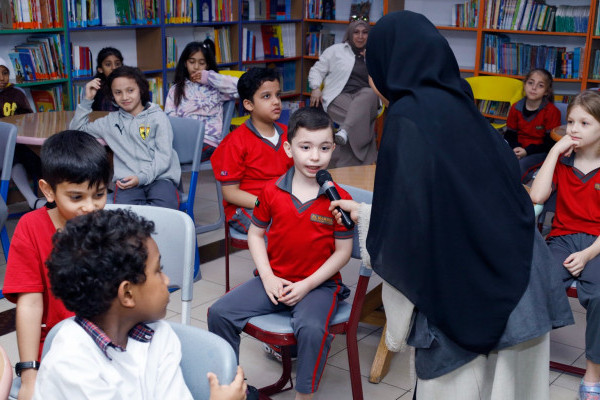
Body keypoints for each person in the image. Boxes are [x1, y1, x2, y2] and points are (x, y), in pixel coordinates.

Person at [326, 11, 572, 399]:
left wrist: (369, 221)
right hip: (523, 277)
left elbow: (410, 226)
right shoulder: (461, 103)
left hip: (471, 296)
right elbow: (463, 203)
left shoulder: (406, 118)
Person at [208, 107, 353, 400]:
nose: (315, 157)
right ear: (288, 148)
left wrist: (306, 285)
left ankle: (304, 396)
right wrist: (269, 277)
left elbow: (344, 252)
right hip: (274, 279)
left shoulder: (339, 199)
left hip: (318, 286)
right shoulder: (271, 191)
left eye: (324, 148)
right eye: (305, 147)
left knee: (312, 330)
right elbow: (255, 234)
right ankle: (233, 388)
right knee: (219, 313)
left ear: (333, 148)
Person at [34, 209, 248, 400]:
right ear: (127, 293)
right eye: (157, 270)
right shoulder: (71, 367)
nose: (166, 280)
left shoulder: (158, 334)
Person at [2, 130, 111, 400]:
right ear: (48, 190)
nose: (90, 207)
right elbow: (29, 304)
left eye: (99, 194)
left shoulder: (112, 228)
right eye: (76, 197)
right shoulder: (31, 228)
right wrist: (29, 375)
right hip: (55, 349)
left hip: (108, 346)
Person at [529, 90, 600, 400]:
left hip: (597, 245)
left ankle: (593, 373)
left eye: (584, 122)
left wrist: (586, 255)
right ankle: (524, 357)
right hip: (561, 238)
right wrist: (554, 153)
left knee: (599, 295)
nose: (573, 128)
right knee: (535, 281)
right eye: (571, 121)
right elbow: (537, 197)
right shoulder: (562, 161)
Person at [70, 65, 181, 209]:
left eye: (130, 90)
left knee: (165, 210)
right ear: (112, 95)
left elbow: (164, 157)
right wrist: (87, 99)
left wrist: (141, 178)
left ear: (141, 89)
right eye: (118, 92)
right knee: (126, 216)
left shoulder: (158, 117)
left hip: (160, 177)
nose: (124, 97)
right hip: (127, 181)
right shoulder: (109, 121)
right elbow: (76, 131)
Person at [210, 67, 293, 234]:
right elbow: (230, 193)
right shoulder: (235, 142)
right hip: (248, 207)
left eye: (278, 95)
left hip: (282, 204)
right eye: (266, 96)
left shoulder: (290, 135)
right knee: (282, 231)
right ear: (248, 104)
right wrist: (264, 204)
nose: (276, 101)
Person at [308, 18, 379, 168]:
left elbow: (382, 79)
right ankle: (366, 162)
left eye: (365, 32)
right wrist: (315, 87)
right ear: (350, 34)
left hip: (367, 100)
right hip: (339, 97)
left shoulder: (376, 54)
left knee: (367, 93)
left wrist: (370, 59)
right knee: (361, 120)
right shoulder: (336, 50)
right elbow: (317, 70)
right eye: (356, 32)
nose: (360, 36)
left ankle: (343, 137)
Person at [165, 40, 239, 162]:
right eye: (191, 62)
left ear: (208, 65)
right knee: (159, 154)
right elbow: (169, 119)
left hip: (208, 141)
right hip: (184, 141)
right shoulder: (176, 89)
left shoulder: (216, 88)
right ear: (185, 63)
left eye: (202, 63)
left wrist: (209, 77)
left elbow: (241, 87)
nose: (196, 67)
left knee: (170, 158)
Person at [0, 56, 46, 210]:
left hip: (18, 140)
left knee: (37, 153)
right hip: (2, 145)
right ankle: (31, 199)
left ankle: (52, 195)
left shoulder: (16, 93)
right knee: (11, 156)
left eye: (5, 73)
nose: (2, 78)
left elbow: (29, 118)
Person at [505, 68, 561, 182]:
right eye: (530, 83)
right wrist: (515, 148)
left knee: (519, 167)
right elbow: (510, 134)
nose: (534, 88)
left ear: (546, 91)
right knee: (498, 160)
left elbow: (550, 144)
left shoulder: (551, 112)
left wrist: (526, 151)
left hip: (540, 152)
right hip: (517, 148)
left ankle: (520, 192)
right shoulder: (516, 107)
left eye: (540, 85)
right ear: (525, 84)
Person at [90, 47, 123, 111]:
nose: (114, 68)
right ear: (100, 69)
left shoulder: (129, 84)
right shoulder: (95, 87)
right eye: (108, 64)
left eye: (117, 64)